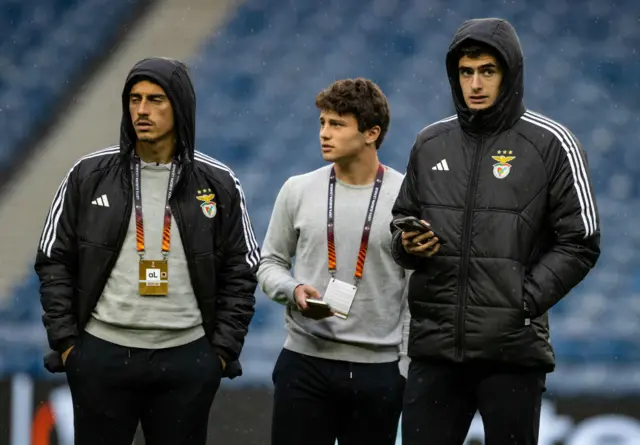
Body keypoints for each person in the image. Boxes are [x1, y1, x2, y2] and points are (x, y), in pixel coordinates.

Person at [391, 18, 601, 445]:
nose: (476, 83)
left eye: (487, 70)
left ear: (510, 72)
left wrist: (520, 301)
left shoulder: (552, 143)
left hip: (511, 352)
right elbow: (401, 224)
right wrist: (408, 245)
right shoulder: (430, 142)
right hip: (435, 349)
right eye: (466, 72)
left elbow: (581, 240)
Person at [34, 57, 260, 445]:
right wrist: (70, 347)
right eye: (134, 99)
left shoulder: (218, 182)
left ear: (180, 106)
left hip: (186, 358)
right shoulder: (88, 175)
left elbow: (242, 269)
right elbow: (53, 259)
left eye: (156, 99)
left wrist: (219, 354)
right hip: (102, 355)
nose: (142, 110)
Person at [257, 78, 409, 445]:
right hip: (305, 363)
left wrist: (405, 367)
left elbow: (416, 288)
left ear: (371, 133)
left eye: (337, 124)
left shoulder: (407, 197)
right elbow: (269, 263)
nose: (324, 133)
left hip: (379, 370)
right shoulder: (297, 189)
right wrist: (293, 290)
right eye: (323, 123)